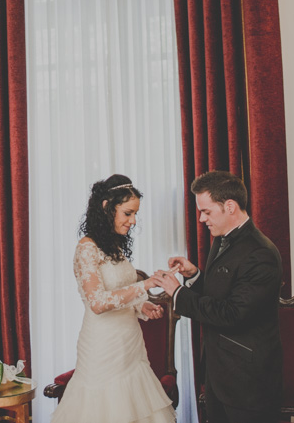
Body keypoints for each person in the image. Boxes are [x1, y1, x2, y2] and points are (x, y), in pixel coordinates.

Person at [156, 170, 283, 423]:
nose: (201, 219)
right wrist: (194, 276)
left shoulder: (262, 254)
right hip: (219, 376)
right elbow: (222, 294)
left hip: (248, 383)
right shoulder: (221, 239)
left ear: (230, 206)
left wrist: (178, 292)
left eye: (206, 211)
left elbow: (233, 314)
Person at [50, 174, 176, 423]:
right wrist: (146, 285)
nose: (133, 220)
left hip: (130, 347)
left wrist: (143, 307)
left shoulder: (114, 247)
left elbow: (121, 292)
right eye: (128, 213)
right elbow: (97, 302)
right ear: (107, 207)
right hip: (102, 347)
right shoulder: (87, 248)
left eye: (135, 214)